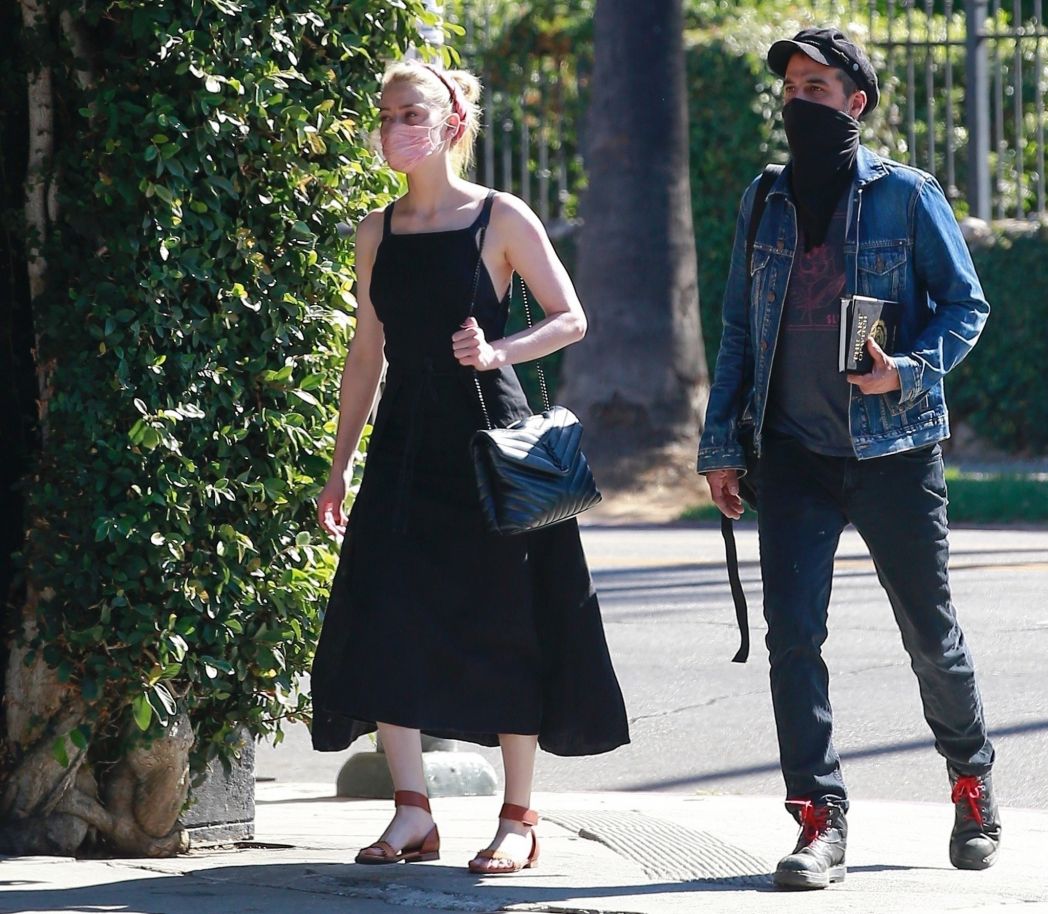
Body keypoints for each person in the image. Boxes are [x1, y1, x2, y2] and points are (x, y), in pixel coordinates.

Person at [308, 58, 629, 875]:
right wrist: (339, 466)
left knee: (508, 620)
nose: (393, 130)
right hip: (407, 448)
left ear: (452, 122)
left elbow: (570, 319)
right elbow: (365, 353)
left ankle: (518, 816)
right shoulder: (375, 231)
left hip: (493, 442)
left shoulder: (499, 216)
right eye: (384, 117)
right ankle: (412, 812)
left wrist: (498, 350)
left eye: (408, 113)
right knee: (386, 615)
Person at [698, 28, 1000, 890]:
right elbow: (734, 334)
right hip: (791, 455)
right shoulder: (764, 201)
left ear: (855, 103)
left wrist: (904, 371)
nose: (801, 101)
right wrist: (723, 446)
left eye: (819, 87)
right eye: (792, 86)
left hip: (896, 453)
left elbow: (964, 305)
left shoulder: (906, 197)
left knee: (929, 637)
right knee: (793, 638)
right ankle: (817, 819)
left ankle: (972, 782)